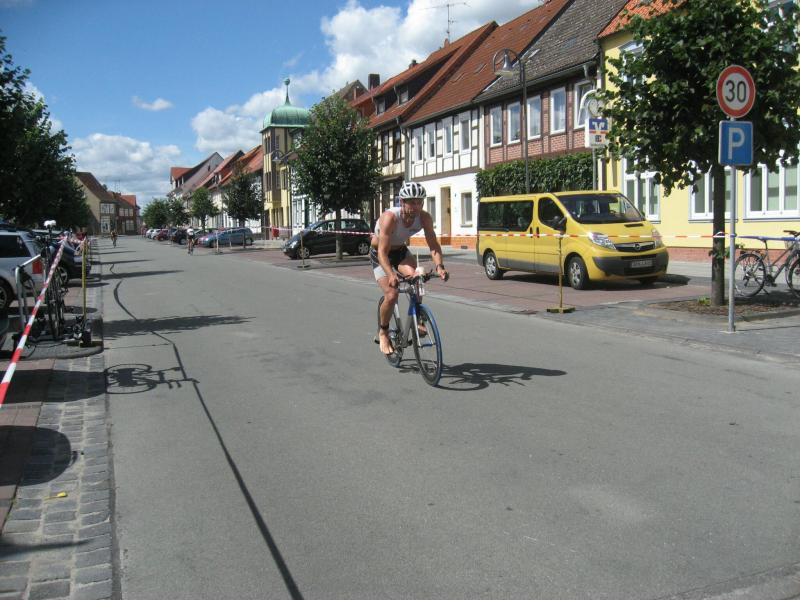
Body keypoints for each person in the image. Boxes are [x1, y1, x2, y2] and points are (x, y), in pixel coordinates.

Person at [371, 181, 449, 355]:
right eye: (412, 202)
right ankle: (383, 332)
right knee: (392, 294)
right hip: (380, 253)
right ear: (402, 202)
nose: (416, 207)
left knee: (417, 278)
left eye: (420, 202)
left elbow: (433, 245)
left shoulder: (424, 217)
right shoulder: (390, 217)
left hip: (400, 251)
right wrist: (391, 274)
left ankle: (417, 319)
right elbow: (382, 252)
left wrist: (440, 266)